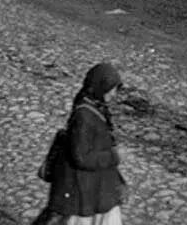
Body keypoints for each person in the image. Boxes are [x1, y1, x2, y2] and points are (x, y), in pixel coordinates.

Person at [37, 62, 127, 225]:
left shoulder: (94, 106)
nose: (114, 94)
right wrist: (113, 156)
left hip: (96, 187)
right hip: (85, 189)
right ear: (101, 86)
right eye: (111, 88)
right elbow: (81, 157)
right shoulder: (84, 116)